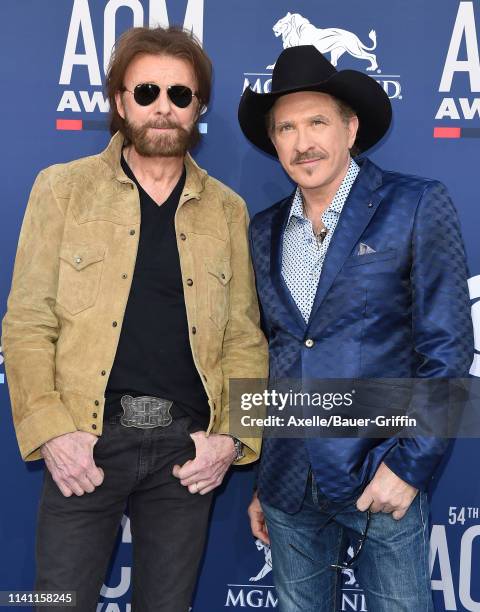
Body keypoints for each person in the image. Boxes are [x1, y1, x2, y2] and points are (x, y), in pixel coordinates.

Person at [2, 25, 267, 611]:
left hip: (185, 456)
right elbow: (26, 322)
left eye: (180, 94)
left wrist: (232, 438)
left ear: (199, 107)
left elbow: (245, 339)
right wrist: (51, 432)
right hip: (86, 445)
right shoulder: (62, 189)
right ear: (119, 101)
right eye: (146, 92)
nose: (163, 108)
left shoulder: (227, 209)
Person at [238, 45, 473, 611]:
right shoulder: (262, 230)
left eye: (317, 121)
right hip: (288, 486)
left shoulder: (415, 203)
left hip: (379, 473)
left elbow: (447, 351)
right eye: (286, 127)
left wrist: (408, 467)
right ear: (274, 142)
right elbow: (278, 354)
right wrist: (263, 478)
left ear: (351, 127)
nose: (303, 141)